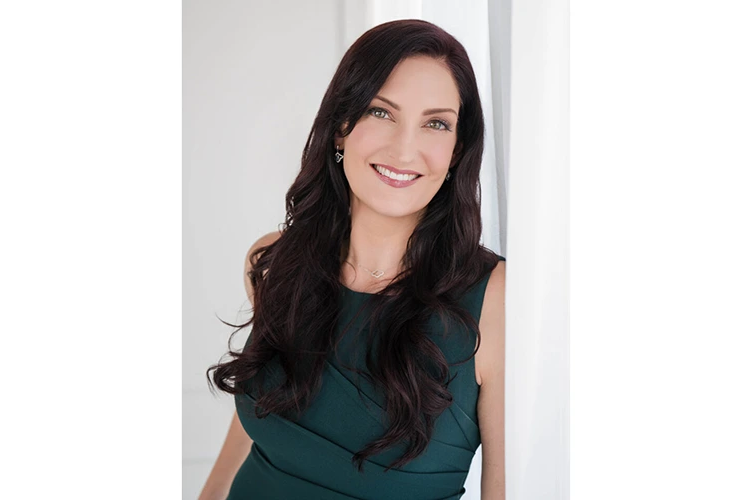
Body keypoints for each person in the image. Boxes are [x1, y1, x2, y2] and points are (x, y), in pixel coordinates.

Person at [199, 19, 506, 500]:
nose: (405, 149)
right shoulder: (275, 262)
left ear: (456, 151)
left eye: (436, 123)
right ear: (341, 128)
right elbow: (270, 409)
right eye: (381, 112)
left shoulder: (498, 302)